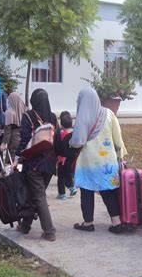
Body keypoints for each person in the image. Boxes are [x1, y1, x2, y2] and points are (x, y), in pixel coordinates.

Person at [70, 88, 127, 234]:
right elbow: (118, 139)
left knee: (86, 190)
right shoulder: (109, 114)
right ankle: (116, 223)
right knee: (109, 191)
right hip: (108, 161)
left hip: (88, 163)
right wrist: (121, 156)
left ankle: (88, 222)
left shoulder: (83, 117)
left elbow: (77, 142)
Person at [15, 88, 58, 242]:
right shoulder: (52, 117)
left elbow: (25, 140)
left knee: (39, 197)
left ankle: (49, 231)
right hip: (50, 163)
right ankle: (25, 226)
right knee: (35, 195)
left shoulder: (29, 116)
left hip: (33, 163)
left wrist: (17, 157)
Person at [55, 111, 77, 200]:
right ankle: (72, 187)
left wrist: (56, 155)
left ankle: (62, 194)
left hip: (62, 158)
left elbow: (56, 146)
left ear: (61, 124)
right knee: (68, 173)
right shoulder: (74, 133)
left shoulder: (60, 134)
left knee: (61, 176)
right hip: (72, 157)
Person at [0, 92, 26, 161]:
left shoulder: (9, 112)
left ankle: (13, 171)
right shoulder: (24, 110)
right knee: (20, 158)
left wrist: (4, 143)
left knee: (12, 158)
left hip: (13, 139)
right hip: (23, 137)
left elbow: (7, 131)